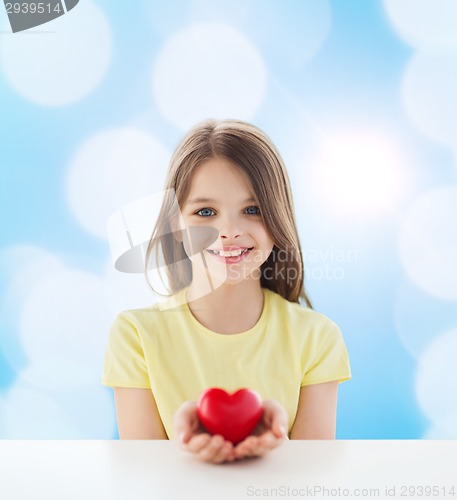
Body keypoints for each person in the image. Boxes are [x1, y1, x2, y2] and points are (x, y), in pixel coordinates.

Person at [101, 119, 351, 464]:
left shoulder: (317, 337)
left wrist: (278, 444)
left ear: (279, 218)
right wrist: (186, 447)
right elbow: (143, 478)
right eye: (205, 211)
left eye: (253, 210)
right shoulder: (135, 336)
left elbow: (313, 478)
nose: (229, 231)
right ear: (175, 225)